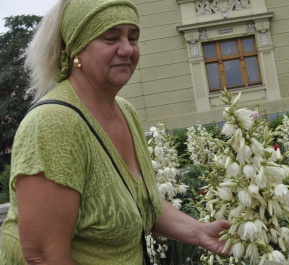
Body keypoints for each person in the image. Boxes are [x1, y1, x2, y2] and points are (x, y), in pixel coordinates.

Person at [0, 0, 230, 264]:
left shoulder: (125, 111)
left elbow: (142, 205)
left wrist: (200, 233)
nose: (127, 49)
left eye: (133, 38)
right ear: (77, 49)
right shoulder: (54, 123)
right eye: (110, 38)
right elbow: (43, 255)